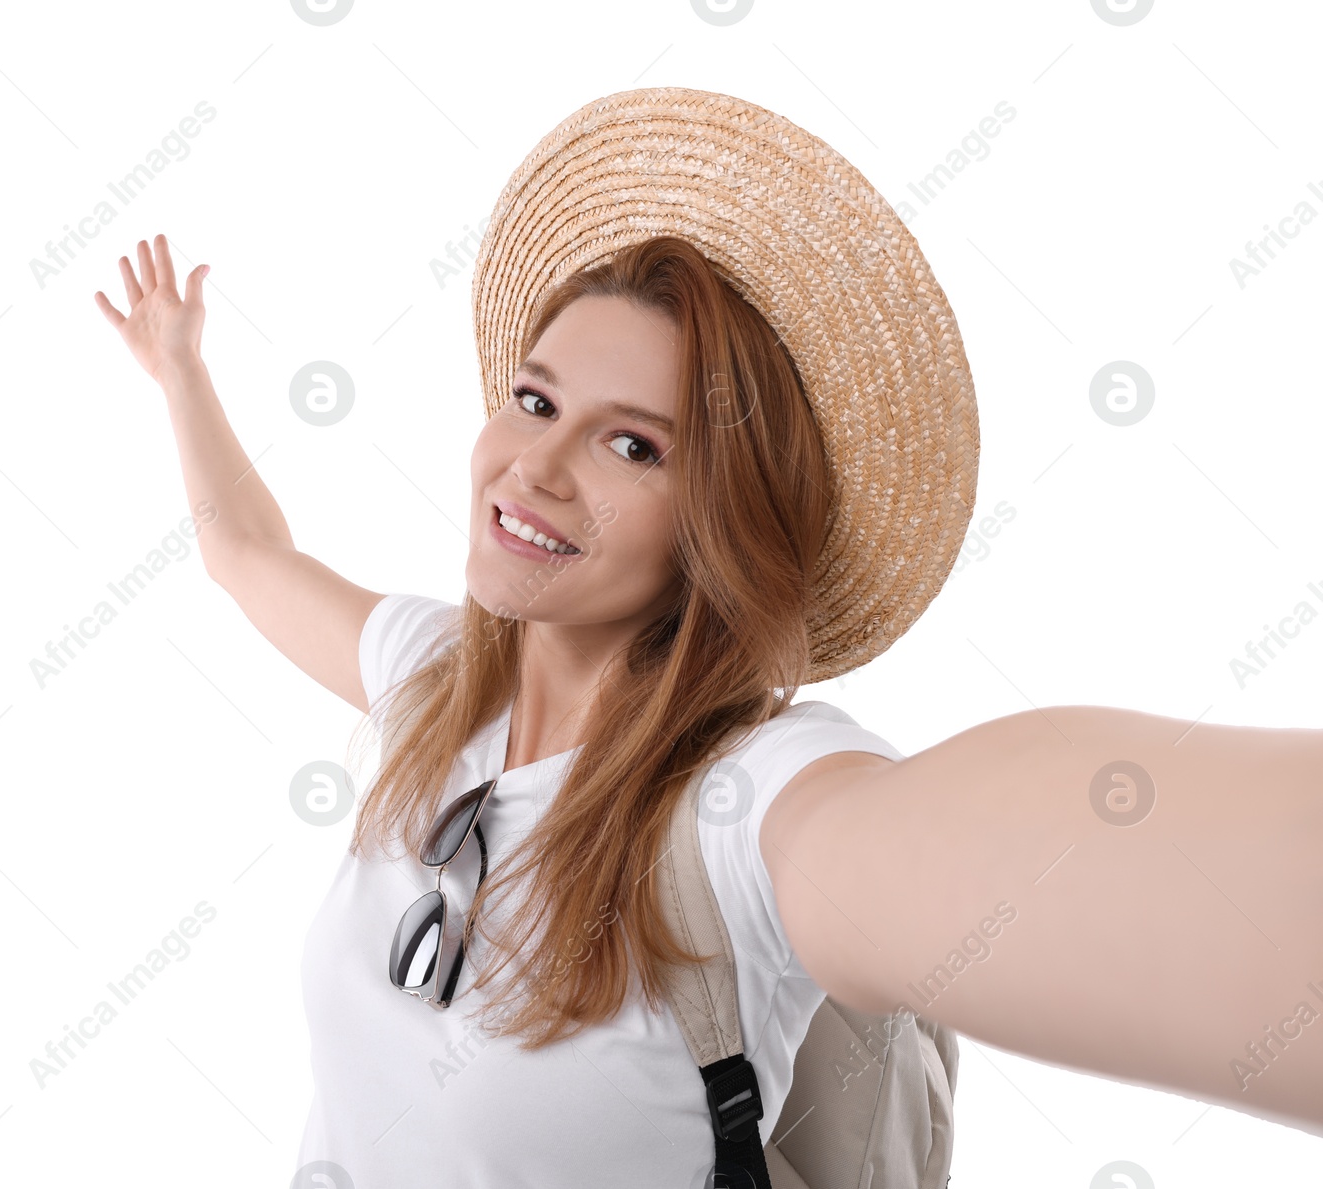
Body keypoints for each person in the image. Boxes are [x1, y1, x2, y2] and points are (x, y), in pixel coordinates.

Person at [96, 90, 1323, 1186]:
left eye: (631, 446)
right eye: (535, 401)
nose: (533, 465)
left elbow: (1004, 856)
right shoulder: (430, 683)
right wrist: (179, 371)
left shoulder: (740, 806)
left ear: (720, 526)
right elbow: (247, 556)